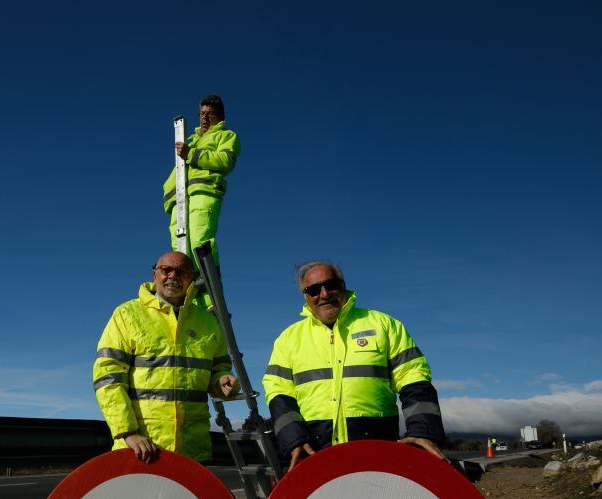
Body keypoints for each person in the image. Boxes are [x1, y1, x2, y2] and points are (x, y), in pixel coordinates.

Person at [262, 261, 446, 469]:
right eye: (313, 289)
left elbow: (414, 377)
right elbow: (278, 391)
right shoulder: (288, 339)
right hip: (313, 450)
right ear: (305, 296)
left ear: (343, 285)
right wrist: (293, 439)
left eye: (330, 285)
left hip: (377, 446)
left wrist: (422, 431)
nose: (323, 294)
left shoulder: (384, 325)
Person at [93, 251, 239, 463]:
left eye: (181, 271)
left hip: (193, 449)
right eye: (166, 270)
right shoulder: (127, 315)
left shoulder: (208, 323)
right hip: (140, 448)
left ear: (192, 279)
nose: (173, 276)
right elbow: (108, 377)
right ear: (154, 275)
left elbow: (219, 369)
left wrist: (223, 381)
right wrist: (127, 433)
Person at [162, 94, 240, 266]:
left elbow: (225, 161)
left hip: (203, 193)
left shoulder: (226, 136)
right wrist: (168, 191)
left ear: (220, 116)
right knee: (179, 248)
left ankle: (209, 287)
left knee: (200, 242)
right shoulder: (191, 140)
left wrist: (191, 154)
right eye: (201, 114)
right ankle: (187, 288)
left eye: (209, 114)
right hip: (180, 199)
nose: (204, 118)